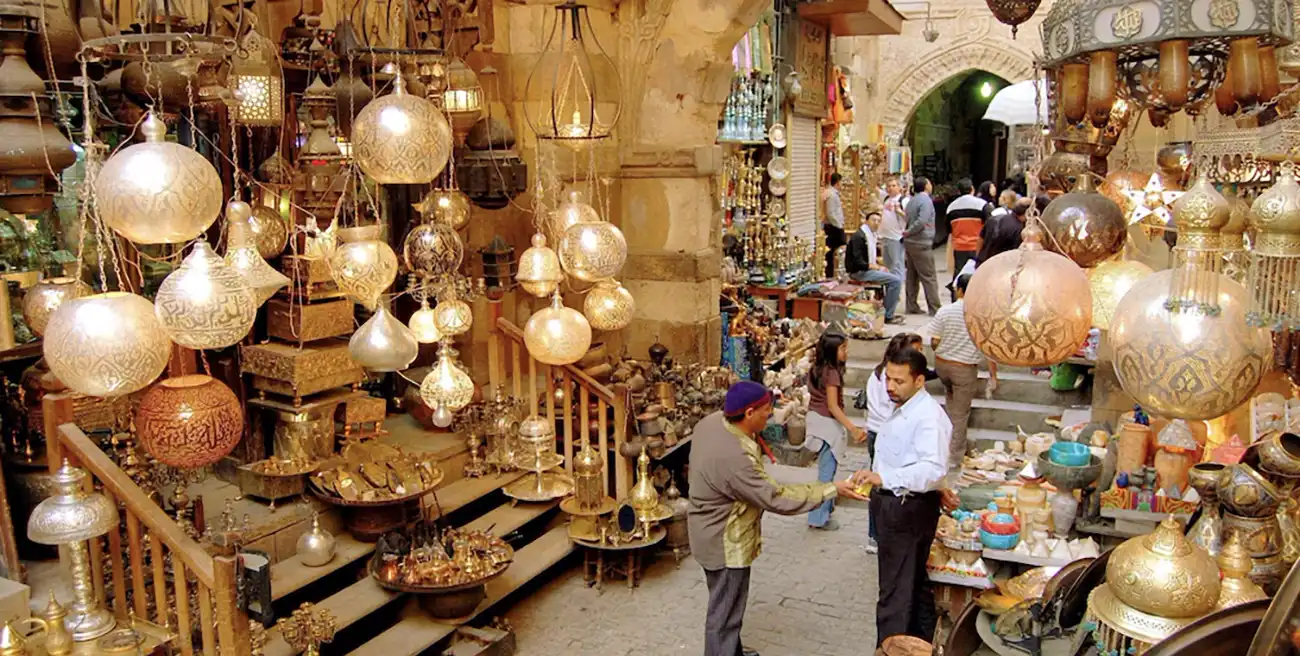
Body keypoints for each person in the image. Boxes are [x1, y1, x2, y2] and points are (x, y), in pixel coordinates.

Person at [689, 381, 866, 656]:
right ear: (748, 413)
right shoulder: (735, 458)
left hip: (706, 530)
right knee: (724, 613)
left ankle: (731, 650)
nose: (770, 415)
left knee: (726, 603)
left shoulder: (712, 422)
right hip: (724, 541)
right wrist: (832, 489)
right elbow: (777, 498)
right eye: (766, 410)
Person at [853, 348, 956, 647]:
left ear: (920, 380)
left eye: (899, 381)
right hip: (895, 505)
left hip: (906, 509)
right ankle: (918, 646)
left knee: (895, 595)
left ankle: (890, 649)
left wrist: (885, 478)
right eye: (888, 379)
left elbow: (933, 467)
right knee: (911, 586)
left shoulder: (927, 416)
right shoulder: (904, 406)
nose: (890, 386)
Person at [862, 332, 925, 554]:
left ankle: (878, 535)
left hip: (879, 431)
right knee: (882, 485)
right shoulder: (883, 378)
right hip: (883, 433)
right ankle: (878, 534)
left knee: (883, 484)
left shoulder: (878, 375)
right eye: (915, 350)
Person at [926, 273, 997, 465]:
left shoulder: (945, 311)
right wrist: (993, 375)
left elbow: (934, 340)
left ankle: (944, 445)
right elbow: (988, 347)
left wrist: (939, 350)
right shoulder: (981, 315)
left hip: (942, 365)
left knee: (951, 405)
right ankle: (953, 457)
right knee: (960, 415)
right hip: (964, 369)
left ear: (959, 290)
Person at [804, 331, 867, 531]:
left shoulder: (818, 368)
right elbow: (833, 406)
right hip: (826, 425)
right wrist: (853, 428)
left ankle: (826, 508)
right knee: (826, 474)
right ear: (833, 351)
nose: (846, 352)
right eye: (843, 348)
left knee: (825, 470)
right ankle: (817, 517)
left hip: (816, 419)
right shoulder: (832, 373)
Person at [845, 210, 905, 325]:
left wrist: (878, 266)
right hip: (859, 271)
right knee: (896, 281)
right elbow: (857, 261)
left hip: (866, 269)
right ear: (866, 221)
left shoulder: (871, 235)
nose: (876, 223)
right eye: (873, 220)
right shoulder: (859, 236)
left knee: (891, 276)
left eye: (878, 221)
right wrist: (874, 266)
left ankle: (885, 310)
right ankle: (888, 315)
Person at [944, 179, 988, 302]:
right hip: (977, 246)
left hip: (959, 247)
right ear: (972, 189)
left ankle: (956, 301)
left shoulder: (951, 207)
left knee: (958, 276)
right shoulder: (982, 204)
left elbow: (948, 228)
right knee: (978, 275)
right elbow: (990, 224)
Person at [903, 177, 941, 316]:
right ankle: (935, 307)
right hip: (921, 241)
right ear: (926, 186)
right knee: (928, 276)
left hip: (911, 242)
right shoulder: (926, 201)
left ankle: (911, 305)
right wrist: (909, 231)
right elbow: (922, 221)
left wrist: (908, 232)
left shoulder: (912, 200)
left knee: (912, 275)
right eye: (929, 183)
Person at [977, 196, 1032, 265]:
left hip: (983, 263)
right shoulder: (1019, 229)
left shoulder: (993, 219)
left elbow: (980, 239)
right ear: (1028, 213)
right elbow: (1016, 254)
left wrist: (978, 257)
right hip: (1001, 267)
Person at [880, 176, 907, 280]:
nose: (890, 188)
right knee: (888, 265)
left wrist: (900, 212)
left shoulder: (903, 200)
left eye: (893, 186)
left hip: (896, 237)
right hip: (885, 236)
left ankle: (898, 291)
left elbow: (910, 218)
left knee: (897, 265)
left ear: (899, 187)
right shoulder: (886, 199)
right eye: (888, 186)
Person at [823, 173, 847, 278]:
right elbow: (831, 213)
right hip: (833, 228)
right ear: (837, 183)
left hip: (835, 226)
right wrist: (839, 226)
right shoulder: (832, 195)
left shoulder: (833, 194)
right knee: (833, 252)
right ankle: (830, 274)